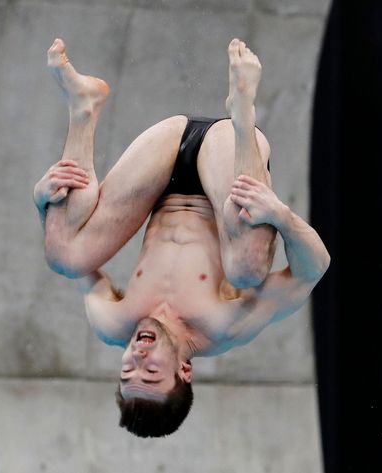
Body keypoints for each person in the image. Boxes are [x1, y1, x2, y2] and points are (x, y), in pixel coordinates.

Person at [33, 37, 330, 438]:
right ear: (184, 371)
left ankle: (83, 106)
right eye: (151, 370)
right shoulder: (226, 325)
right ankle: (243, 108)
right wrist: (280, 214)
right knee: (247, 270)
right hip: (229, 159)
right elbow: (314, 267)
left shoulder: (112, 322)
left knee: (64, 257)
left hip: (163, 157)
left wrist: (43, 204)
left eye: (127, 369)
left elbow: (67, 238)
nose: (137, 355)